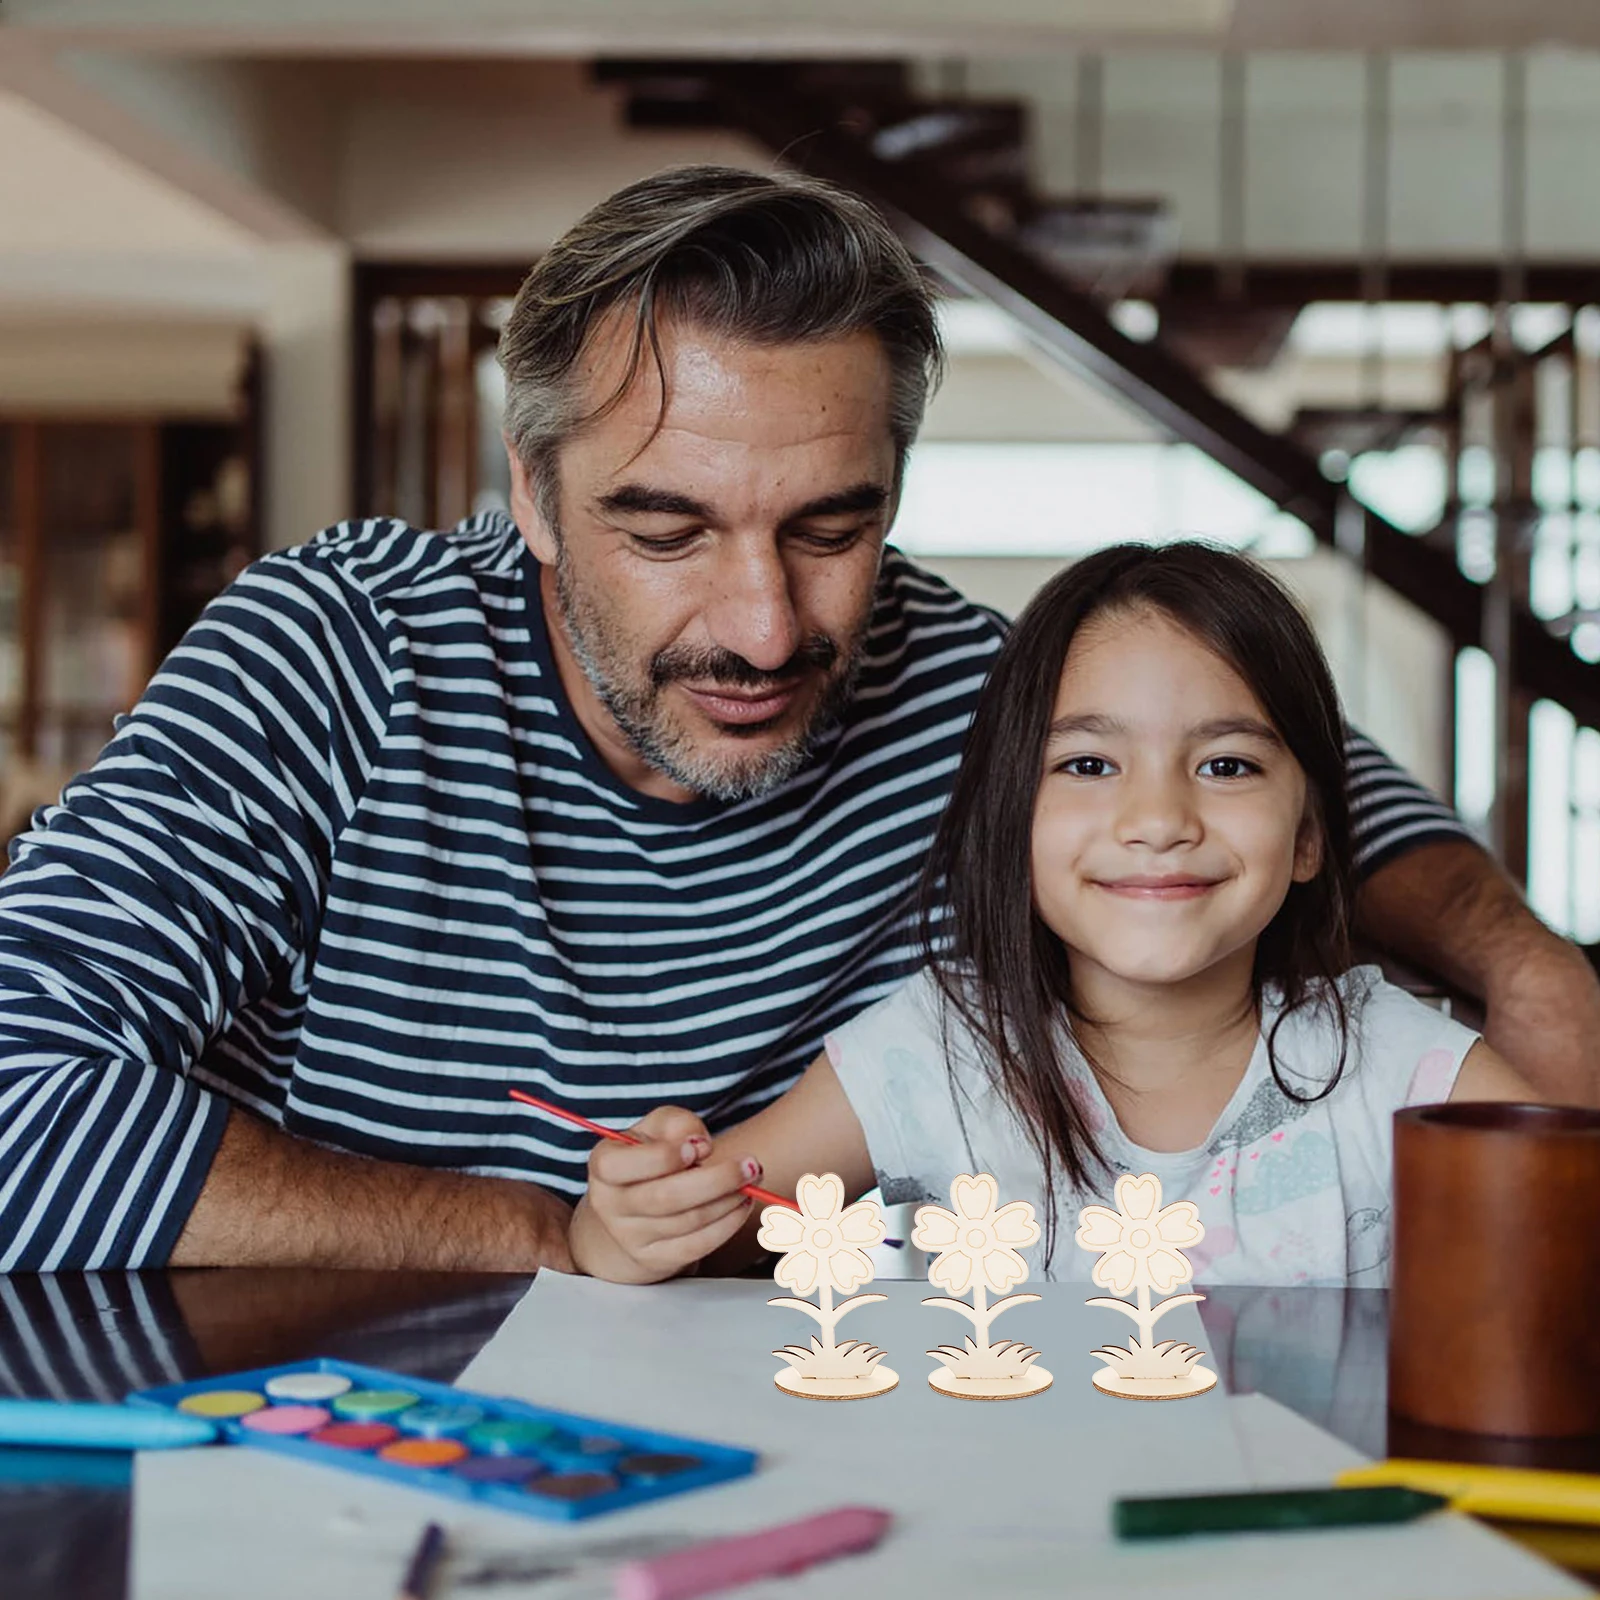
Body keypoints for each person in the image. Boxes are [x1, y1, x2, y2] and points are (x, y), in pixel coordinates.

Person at [0, 167, 1590, 1275]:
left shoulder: (972, 690)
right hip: (336, 1412)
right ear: (533, 497)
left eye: (834, 528)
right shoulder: (335, 650)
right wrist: (533, 1233)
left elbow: (1294, 775)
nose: (766, 628)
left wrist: (1533, 972)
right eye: (669, 530)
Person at [568, 543, 1540, 1288]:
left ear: (1308, 837)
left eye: (1227, 765)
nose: (1157, 819)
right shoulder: (939, 1049)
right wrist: (630, 1218)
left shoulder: (1405, 1071)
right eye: (1086, 765)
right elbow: (680, 1237)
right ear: (1009, 822)